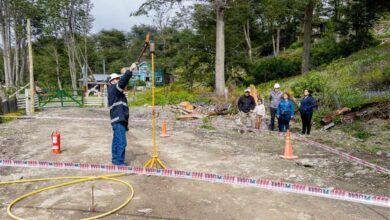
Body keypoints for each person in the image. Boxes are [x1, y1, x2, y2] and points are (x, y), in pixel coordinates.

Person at [108, 62, 138, 165]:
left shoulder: (117, 93)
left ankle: (115, 160)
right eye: (116, 79)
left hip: (118, 120)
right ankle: (120, 163)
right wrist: (130, 70)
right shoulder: (113, 89)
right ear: (111, 82)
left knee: (116, 141)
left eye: (118, 79)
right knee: (122, 142)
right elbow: (122, 82)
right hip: (118, 120)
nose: (118, 81)